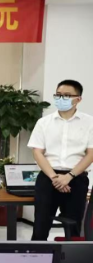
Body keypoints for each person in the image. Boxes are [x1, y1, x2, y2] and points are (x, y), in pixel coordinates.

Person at [28, 79, 93, 241]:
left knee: (74, 227)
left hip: (76, 179)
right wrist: (55, 178)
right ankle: (36, 256)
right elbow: (37, 152)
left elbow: (91, 154)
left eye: (66, 95)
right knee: (40, 226)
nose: (61, 98)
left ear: (78, 99)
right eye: (58, 95)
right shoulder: (44, 123)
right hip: (48, 178)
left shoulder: (89, 122)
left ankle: (71, 257)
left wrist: (69, 176)